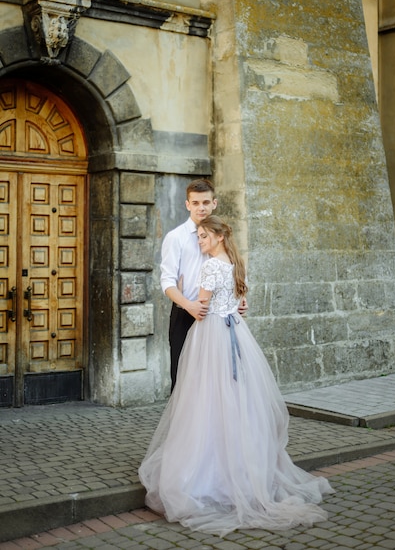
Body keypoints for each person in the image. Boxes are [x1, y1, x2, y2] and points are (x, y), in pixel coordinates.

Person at [139, 216, 334, 537]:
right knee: (236, 401)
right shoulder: (234, 263)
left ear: (217, 237)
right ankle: (242, 470)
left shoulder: (211, 266)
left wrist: (193, 300)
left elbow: (202, 306)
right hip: (237, 334)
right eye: (198, 236)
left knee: (205, 401)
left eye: (203, 236)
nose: (199, 241)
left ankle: (208, 476)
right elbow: (239, 302)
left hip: (212, 337)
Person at [160, 178, 246, 390]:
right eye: (196, 203)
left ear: (214, 203)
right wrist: (189, 305)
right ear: (187, 204)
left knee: (219, 381)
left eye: (206, 202)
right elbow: (167, 281)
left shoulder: (221, 234)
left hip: (218, 320)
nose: (201, 208)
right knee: (183, 380)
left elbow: (233, 268)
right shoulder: (176, 237)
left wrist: (240, 299)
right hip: (186, 315)